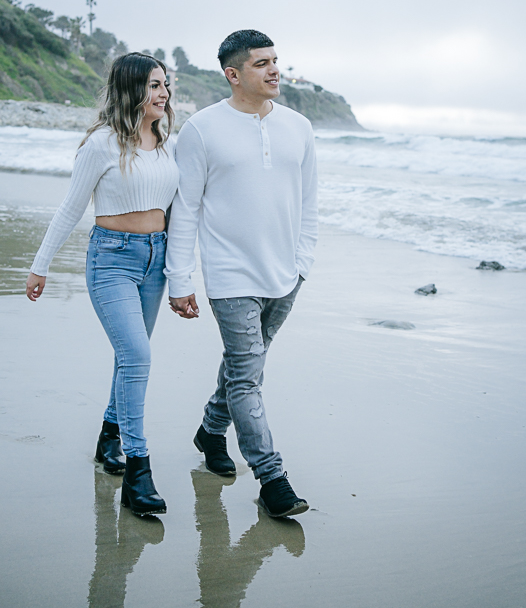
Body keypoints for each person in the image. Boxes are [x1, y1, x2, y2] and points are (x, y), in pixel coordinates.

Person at [165, 29, 318, 518]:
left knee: (242, 368)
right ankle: (272, 479)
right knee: (249, 377)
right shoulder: (202, 130)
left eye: (276, 60)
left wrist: (303, 262)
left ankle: (211, 431)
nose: (274, 70)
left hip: (286, 274)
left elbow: (310, 201)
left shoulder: (299, 127)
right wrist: (180, 279)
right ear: (233, 74)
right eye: (261, 64)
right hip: (231, 277)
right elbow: (185, 209)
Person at [26, 53, 179, 517]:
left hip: (157, 259)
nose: (164, 94)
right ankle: (138, 470)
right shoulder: (101, 144)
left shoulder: (165, 140)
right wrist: (41, 265)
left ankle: (108, 437)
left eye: (165, 85)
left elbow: (181, 210)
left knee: (129, 357)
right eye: (154, 85)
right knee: (137, 356)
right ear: (132, 89)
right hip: (111, 260)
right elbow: (71, 208)